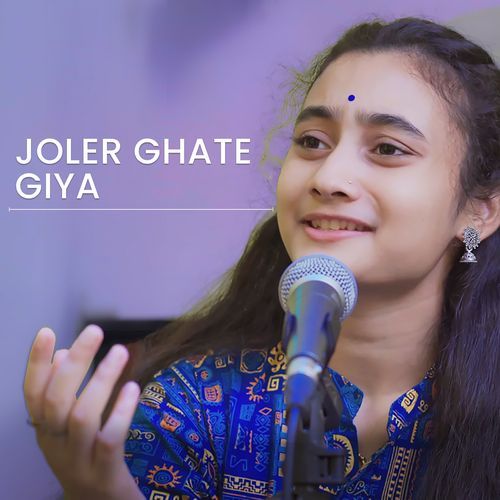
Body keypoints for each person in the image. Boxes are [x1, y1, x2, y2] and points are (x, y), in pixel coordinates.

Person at [23, 16, 499, 500]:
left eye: (387, 148)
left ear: (480, 210)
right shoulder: (186, 408)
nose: (327, 177)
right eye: (312, 142)